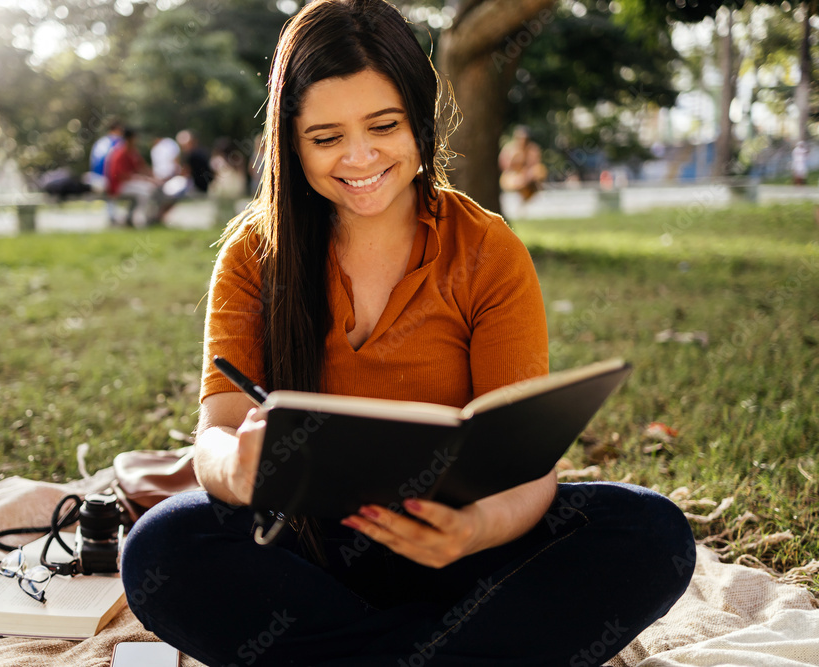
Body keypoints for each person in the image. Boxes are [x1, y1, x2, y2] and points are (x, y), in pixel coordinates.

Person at [121, 2, 695, 665]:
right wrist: (236, 466)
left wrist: (475, 526)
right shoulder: (253, 254)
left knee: (650, 531)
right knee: (164, 545)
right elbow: (216, 433)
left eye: (383, 126)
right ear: (291, 139)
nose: (359, 157)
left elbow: (528, 464)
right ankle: (449, 652)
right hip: (309, 552)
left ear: (420, 119)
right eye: (326, 136)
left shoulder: (487, 250)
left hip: (462, 548)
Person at [106, 128, 159, 227]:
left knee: (150, 188)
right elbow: (120, 175)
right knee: (145, 191)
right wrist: (144, 179)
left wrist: (154, 178)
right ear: (130, 138)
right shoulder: (120, 153)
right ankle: (141, 220)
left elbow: (142, 167)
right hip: (118, 186)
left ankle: (130, 218)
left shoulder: (132, 151)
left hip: (129, 184)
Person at [499, 125, 547, 202]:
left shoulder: (533, 149)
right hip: (514, 176)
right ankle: (523, 191)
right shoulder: (509, 149)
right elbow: (505, 167)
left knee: (539, 171)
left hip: (528, 175)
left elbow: (536, 166)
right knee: (512, 180)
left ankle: (528, 190)